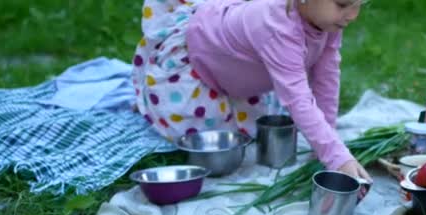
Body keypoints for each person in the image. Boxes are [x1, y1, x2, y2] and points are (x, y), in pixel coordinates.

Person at [132, 0, 372, 182]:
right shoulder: (277, 26)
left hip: (239, 78)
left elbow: (326, 80)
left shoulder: (326, 22)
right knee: (201, 137)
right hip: (198, 64)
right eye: (342, 4)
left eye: (358, 4)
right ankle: (151, 100)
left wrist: (328, 146)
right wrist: (336, 157)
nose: (352, 15)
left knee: (253, 128)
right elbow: (298, 99)